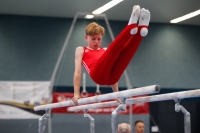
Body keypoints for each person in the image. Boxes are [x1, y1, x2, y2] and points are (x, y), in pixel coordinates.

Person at [72, 5, 150, 104]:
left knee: (124, 54)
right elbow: (77, 72)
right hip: (97, 75)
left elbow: (113, 69)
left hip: (113, 78)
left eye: (99, 39)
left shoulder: (104, 50)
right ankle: (130, 27)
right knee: (114, 49)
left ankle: (140, 32)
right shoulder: (81, 50)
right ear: (86, 37)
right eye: (93, 39)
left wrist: (116, 94)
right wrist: (76, 94)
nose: (96, 41)